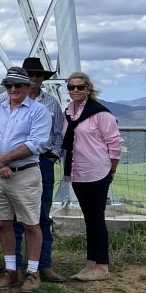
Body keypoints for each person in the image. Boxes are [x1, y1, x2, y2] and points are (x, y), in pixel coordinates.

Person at [0, 66, 52, 292]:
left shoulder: (38, 111)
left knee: (31, 223)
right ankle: (11, 270)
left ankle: (33, 272)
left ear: (28, 86)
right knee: (3, 223)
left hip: (25, 174)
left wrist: (2, 160)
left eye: (18, 85)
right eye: (9, 85)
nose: (13, 89)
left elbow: (36, 143)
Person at [12, 56, 68, 283]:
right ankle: (13, 266)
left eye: (39, 76)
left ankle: (43, 265)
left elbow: (57, 134)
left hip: (42, 162)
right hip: (15, 162)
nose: (35, 79)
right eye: (31, 75)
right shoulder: (8, 100)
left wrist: (53, 156)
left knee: (41, 215)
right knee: (14, 216)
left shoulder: (51, 103)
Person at [62, 72, 122, 281]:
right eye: (71, 87)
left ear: (88, 88)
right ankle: (91, 265)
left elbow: (115, 144)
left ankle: (102, 267)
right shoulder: (69, 113)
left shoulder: (101, 114)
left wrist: (111, 170)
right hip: (78, 173)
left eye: (80, 87)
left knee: (96, 219)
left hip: (97, 172)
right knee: (90, 219)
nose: (75, 90)